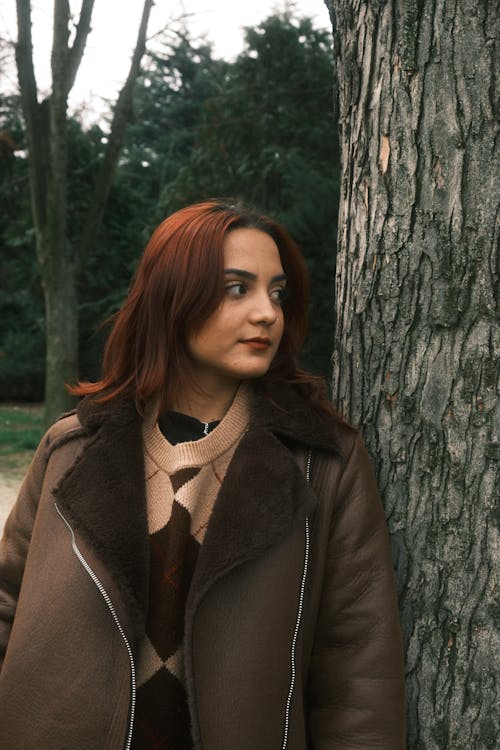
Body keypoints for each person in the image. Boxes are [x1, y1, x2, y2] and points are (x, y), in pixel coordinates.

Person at [0, 200, 405, 749]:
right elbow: (6, 603)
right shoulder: (72, 446)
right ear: (173, 297)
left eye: (277, 292)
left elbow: (358, 669)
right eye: (237, 288)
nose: (267, 313)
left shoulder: (322, 461)